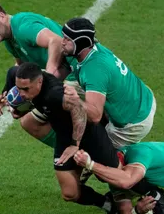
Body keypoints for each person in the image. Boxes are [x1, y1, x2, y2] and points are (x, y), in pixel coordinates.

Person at [14, 62, 162, 214]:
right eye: (19, 88)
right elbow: (13, 83)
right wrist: (5, 97)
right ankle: (107, 205)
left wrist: (75, 144)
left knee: (118, 174)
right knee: (69, 193)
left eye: (25, 89)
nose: (21, 94)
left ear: (39, 82)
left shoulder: (55, 94)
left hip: (90, 134)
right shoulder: (16, 76)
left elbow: (79, 111)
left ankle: (155, 192)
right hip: (65, 137)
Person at [0, 1, 78, 149]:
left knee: (58, 110)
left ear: (2, 16)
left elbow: (55, 40)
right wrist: (6, 94)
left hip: (77, 74)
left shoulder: (23, 27)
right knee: (29, 122)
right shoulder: (9, 39)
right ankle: (74, 152)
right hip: (65, 75)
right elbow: (22, 67)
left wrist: (49, 77)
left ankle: (85, 151)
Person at [61, 17, 156, 149]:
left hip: (133, 123)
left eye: (67, 39)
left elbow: (94, 115)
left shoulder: (94, 70)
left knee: (91, 155)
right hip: (142, 98)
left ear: (80, 42)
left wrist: (75, 101)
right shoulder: (93, 51)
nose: (62, 42)